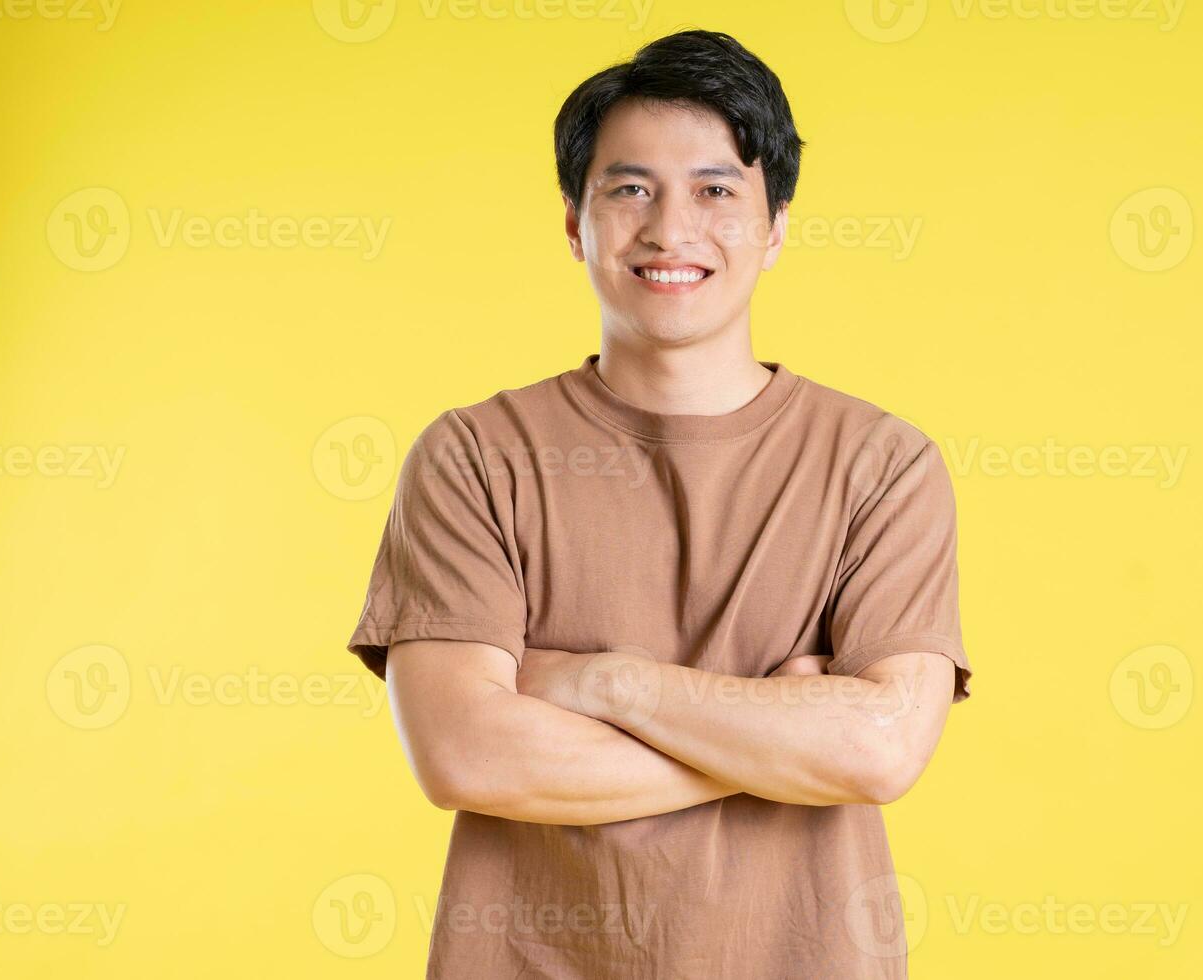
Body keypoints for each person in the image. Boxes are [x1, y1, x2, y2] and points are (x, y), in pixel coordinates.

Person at [346, 28, 972, 979]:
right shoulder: (474, 457)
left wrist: (606, 684)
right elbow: (467, 757)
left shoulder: (882, 465)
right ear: (575, 222)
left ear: (775, 227)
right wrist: (776, 733)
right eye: (630, 188)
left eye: (717, 190)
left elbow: (879, 753)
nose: (671, 229)